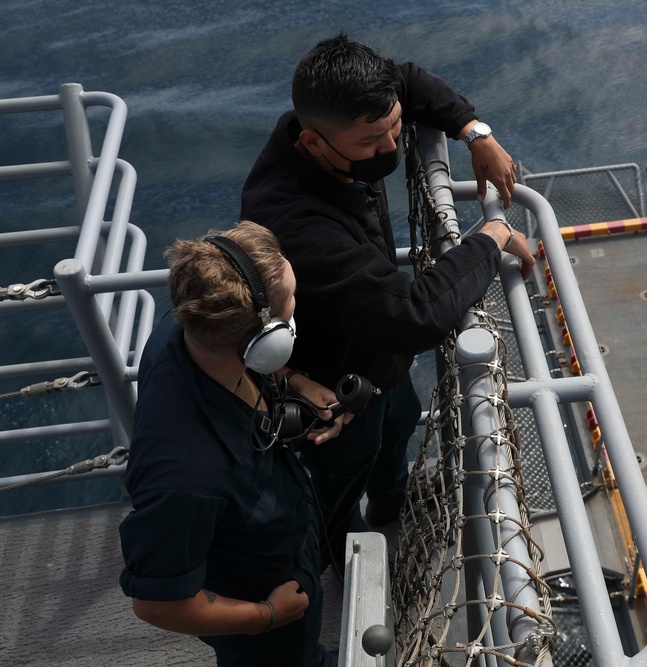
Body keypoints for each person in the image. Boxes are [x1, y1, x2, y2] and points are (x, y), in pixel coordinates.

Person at [240, 33, 536, 562]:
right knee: (339, 485)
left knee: (399, 426)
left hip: (381, 369)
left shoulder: (350, 115)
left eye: (398, 128)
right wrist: (490, 238)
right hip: (331, 393)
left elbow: (411, 79)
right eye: (374, 140)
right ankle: (346, 564)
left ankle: (392, 508)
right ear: (313, 143)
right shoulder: (295, 221)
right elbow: (411, 314)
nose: (393, 148)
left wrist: (474, 132)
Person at [119, 221, 347, 666]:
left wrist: (293, 379)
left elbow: (235, 353)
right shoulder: (185, 476)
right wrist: (266, 616)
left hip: (287, 547)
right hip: (262, 615)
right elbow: (157, 604)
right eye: (292, 300)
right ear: (268, 341)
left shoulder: (185, 328)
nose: (296, 305)